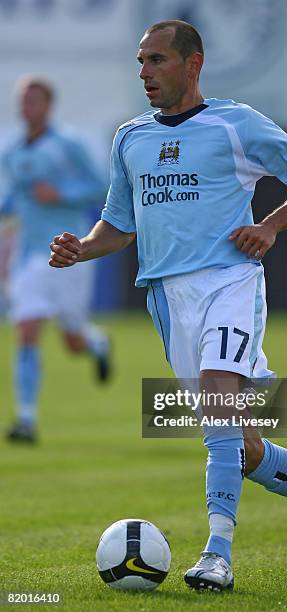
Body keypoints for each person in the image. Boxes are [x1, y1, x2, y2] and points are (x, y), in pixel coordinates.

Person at [49, 21, 287, 591]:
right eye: (141, 61)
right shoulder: (130, 138)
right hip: (168, 302)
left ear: (192, 64)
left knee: (220, 396)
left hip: (229, 281)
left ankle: (217, 554)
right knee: (241, 447)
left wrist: (270, 226)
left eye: (157, 60)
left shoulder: (236, 123)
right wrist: (81, 250)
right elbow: (119, 227)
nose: (144, 72)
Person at [1, 76, 111, 444]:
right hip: (28, 255)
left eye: (34, 101)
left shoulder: (68, 144)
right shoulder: (13, 151)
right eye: (23, 101)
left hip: (67, 253)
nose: (27, 107)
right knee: (27, 331)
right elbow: (15, 198)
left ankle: (97, 344)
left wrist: (61, 194)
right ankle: (26, 421)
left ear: (48, 105)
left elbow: (100, 185)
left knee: (72, 341)